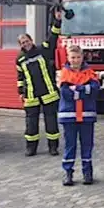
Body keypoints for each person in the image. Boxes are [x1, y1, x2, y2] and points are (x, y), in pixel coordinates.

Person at [16, 9, 62, 157]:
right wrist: (20, 93)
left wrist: (57, 20)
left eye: (27, 41)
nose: (26, 44)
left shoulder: (43, 50)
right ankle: (31, 148)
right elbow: (20, 77)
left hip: (48, 92)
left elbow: (53, 36)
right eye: (23, 43)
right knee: (31, 123)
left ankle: (53, 147)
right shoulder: (20, 59)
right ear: (20, 45)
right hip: (30, 95)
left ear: (31, 41)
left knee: (51, 121)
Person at [58, 45, 100, 186]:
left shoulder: (90, 72)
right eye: (73, 57)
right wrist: (84, 91)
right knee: (70, 145)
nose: (75, 60)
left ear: (82, 57)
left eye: (78, 57)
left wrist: (76, 89)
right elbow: (65, 93)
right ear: (68, 58)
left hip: (87, 115)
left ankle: (87, 172)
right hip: (69, 115)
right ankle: (68, 173)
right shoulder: (64, 73)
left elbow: (95, 90)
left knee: (87, 144)